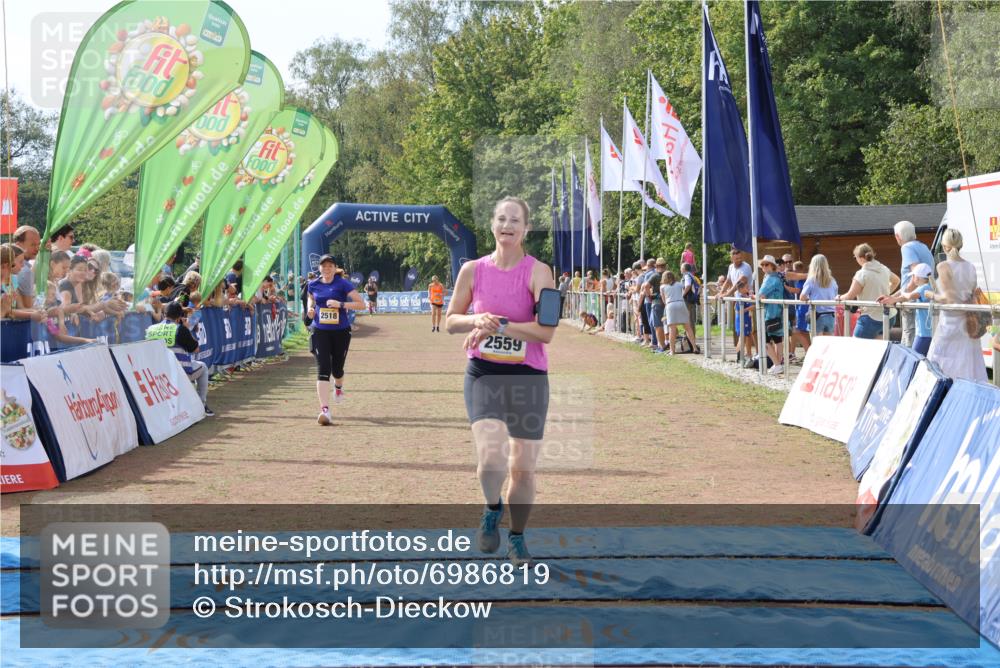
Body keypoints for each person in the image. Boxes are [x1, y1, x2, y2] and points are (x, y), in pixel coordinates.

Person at [445, 196, 555, 567]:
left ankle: (517, 538)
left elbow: (546, 332)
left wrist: (502, 324)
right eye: (501, 219)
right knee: (491, 456)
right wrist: (476, 321)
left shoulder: (540, 272)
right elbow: (451, 321)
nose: (507, 225)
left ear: (526, 228)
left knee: (522, 468)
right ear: (492, 225)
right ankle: (492, 509)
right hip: (485, 373)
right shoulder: (472, 270)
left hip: (528, 376)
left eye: (515, 220)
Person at [307, 255, 365, 425]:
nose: (326, 269)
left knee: (337, 369)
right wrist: (310, 309)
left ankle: (338, 387)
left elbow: (361, 304)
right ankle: (325, 410)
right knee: (323, 368)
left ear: (334, 268)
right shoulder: (313, 284)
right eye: (324, 266)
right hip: (320, 331)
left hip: (341, 331)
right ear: (319, 268)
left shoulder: (342, 284)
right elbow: (311, 298)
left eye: (330, 266)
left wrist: (341, 304)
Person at [925, 229, 988, 381]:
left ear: (944, 246)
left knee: (940, 364)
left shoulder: (943, 266)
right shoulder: (971, 267)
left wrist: (930, 295)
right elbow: (971, 294)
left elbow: (949, 299)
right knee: (969, 364)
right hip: (969, 323)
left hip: (950, 323)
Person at [145, 301, 215, 416]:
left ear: (164, 313)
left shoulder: (151, 329)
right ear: (179, 316)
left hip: (156, 374)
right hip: (178, 372)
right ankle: (201, 404)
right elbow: (196, 349)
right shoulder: (180, 329)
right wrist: (186, 329)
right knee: (203, 367)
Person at [836, 243, 900, 339]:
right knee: (879, 349)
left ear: (861, 258)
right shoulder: (884, 269)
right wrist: (885, 294)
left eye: (855, 258)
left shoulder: (861, 274)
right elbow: (896, 281)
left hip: (870, 317)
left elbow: (850, 296)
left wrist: (839, 297)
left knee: (856, 346)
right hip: (889, 316)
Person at [892, 220, 935, 348]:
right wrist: (894, 295)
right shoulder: (924, 247)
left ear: (898, 237)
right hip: (924, 298)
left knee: (909, 337)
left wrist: (899, 297)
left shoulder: (906, 247)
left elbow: (916, 276)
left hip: (913, 300)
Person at [879, 262, 935, 356]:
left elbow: (909, 296)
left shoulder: (923, 288)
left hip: (923, 333)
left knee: (915, 359)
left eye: (913, 276)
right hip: (926, 332)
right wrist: (893, 299)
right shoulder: (928, 287)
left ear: (916, 278)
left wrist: (900, 295)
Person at [718, 248, 754, 347]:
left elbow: (739, 282)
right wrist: (721, 293)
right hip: (738, 301)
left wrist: (727, 294)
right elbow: (728, 281)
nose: (739, 260)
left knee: (747, 331)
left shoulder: (745, 267)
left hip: (746, 299)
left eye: (740, 258)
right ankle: (743, 354)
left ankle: (748, 354)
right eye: (736, 259)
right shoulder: (731, 267)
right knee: (741, 330)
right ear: (731, 259)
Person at [758, 255, 787, 374]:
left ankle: (777, 364)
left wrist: (753, 296)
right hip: (777, 312)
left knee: (764, 341)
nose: (764, 266)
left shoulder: (770, 278)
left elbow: (761, 294)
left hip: (770, 313)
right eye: (763, 264)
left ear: (772, 266)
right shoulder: (777, 278)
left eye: (767, 264)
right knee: (777, 340)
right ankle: (779, 365)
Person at [799, 254, 839, 337]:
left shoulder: (811, 280)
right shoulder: (832, 280)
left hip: (817, 314)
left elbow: (802, 297)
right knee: (828, 345)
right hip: (830, 315)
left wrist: (809, 298)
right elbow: (835, 296)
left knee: (817, 346)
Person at [662, 270, 698, 354]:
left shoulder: (663, 287)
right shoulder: (679, 284)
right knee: (688, 328)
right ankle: (694, 347)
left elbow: (664, 300)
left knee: (672, 329)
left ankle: (672, 350)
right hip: (681, 304)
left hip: (670, 305)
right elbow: (685, 288)